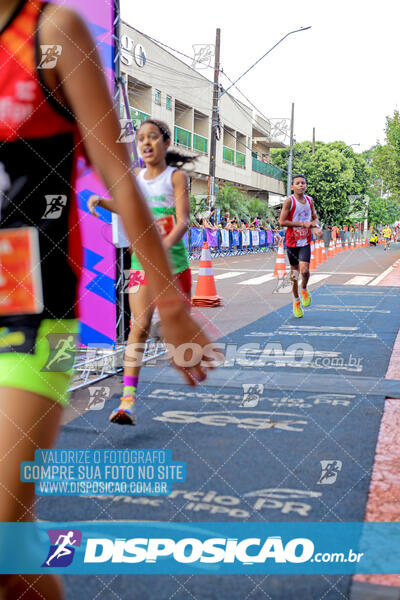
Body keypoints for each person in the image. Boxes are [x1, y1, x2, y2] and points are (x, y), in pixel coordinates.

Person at [0, 3, 215, 599]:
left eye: (152, 138)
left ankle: (127, 393)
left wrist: (173, 305)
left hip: (32, 320)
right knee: (12, 556)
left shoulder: (52, 33)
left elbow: (117, 177)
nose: (147, 143)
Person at [89, 119, 195, 425]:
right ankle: (127, 402)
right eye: (141, 139)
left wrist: (162, 249)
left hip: (173, 262)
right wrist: (104, 202)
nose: (146, 143)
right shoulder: (135, 176)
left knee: (176, 332)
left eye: (152, 138)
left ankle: (169, 330)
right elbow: (131, 209)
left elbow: (183, 220)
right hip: (140, 263)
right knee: (139, 325)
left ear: (164, 143)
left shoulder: (176, 178)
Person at [279, 174, 323, 318]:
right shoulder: (289, 202)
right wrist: (303, 224)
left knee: (304, 271)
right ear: (292, 187)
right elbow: (282, 222)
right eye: (297, 183)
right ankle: (296, 300)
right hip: (292, 241)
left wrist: (315, 227)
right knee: (294, 273)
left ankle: (304, 288)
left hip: (305, 240)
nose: (300, 185)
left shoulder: (310, 200)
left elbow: (314, 217)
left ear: (306, 186)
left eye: (303, 183)